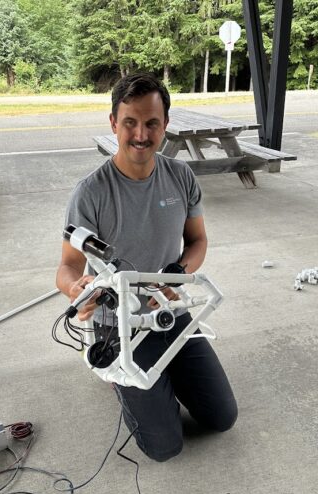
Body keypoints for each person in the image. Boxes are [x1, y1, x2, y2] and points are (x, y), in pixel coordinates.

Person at [56, 73, 237, 462]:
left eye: (152, 123)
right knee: (164, 447)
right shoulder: (90, 192)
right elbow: (68, 266)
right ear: (113, 124)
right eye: (130, 123)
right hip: (116, 325)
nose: (141, 134)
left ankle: (159, 379)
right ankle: (131, 387)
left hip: (169, 313)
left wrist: (176, 276)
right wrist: (76, 290)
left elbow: (198, 241)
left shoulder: (181, 176)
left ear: (165, 125)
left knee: (222, 418)